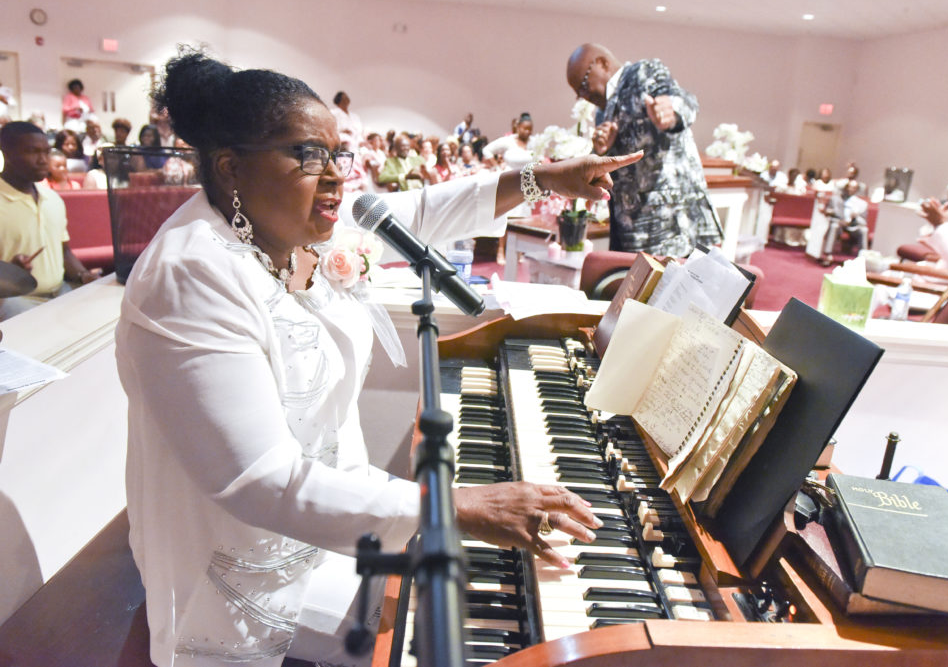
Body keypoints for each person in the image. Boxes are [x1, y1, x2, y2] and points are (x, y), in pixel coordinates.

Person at [114, 49, 638, 667]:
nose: (336, 175)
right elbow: (256, 481)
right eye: (307, 155)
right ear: (231, 168)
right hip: (243, 567)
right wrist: (457, 505)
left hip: (333, 520)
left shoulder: (284, 227)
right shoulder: (192, 274)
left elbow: (415, 213)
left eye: (337, 154)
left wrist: (542, 178)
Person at [566, 43, 722, 257]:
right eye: (577, 93)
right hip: (630, 234)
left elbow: (683, 100)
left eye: (583, 85)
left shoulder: (642, 73)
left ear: (602, 63)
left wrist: (671, 111)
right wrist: (601, 151)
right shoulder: (602, 113)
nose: (583, 95)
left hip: (670, 228)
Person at [0, 122, 100, 321]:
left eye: (46, 152)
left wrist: (82, 275)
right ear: (7, 152)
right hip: (14, 300)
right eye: (33, 152)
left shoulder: (53, 199)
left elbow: (64, 251)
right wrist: (8, 274)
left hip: (60, 292)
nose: (43, 160)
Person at [819, 179, 868, 266]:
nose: (851, 189)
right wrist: (829, 211)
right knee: (834, 226)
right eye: (849, 187)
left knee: (864, 230)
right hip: (839, 223)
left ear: (856, 190)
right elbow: (828, 211)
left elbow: (864, 222)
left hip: (853, 225)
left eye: (854, 188)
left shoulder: (861, 203)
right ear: (845, 188)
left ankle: (863, 259)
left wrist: (855, 217)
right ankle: (828, 255)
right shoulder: (835, 199)